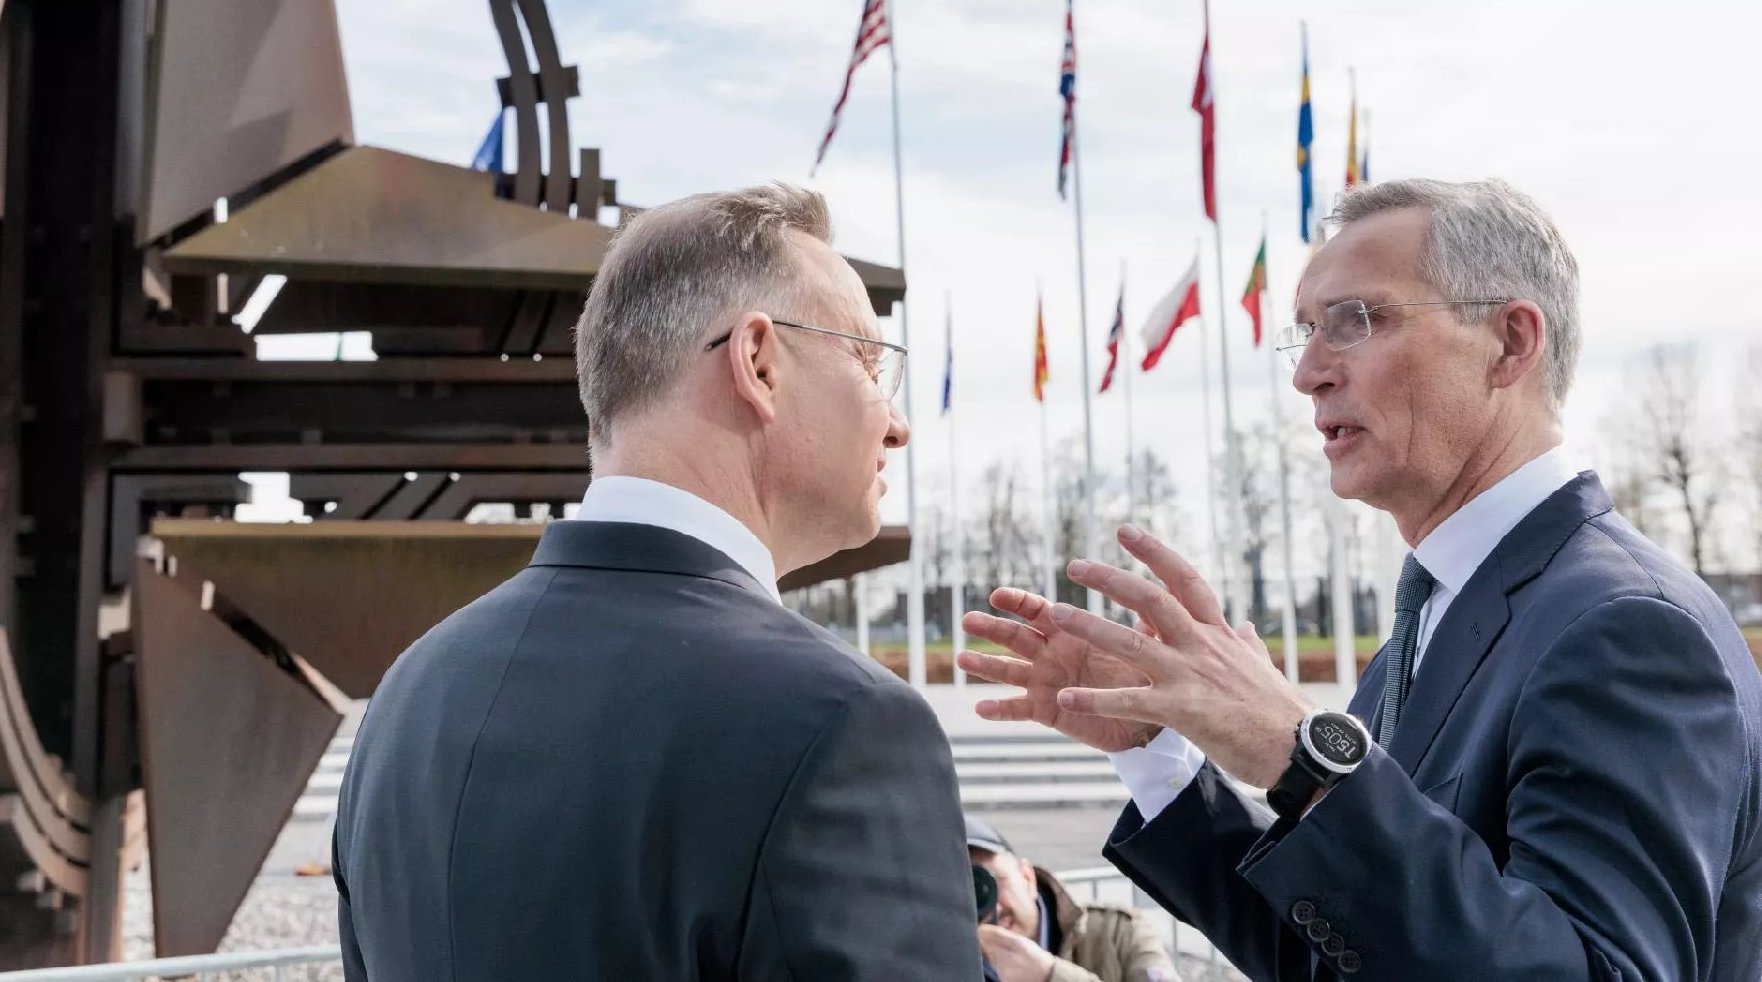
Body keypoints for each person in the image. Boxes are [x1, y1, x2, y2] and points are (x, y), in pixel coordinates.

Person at [961, 179, 1762, 981]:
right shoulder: (1431, 624)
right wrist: (1157, 751)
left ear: (1511, 343)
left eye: (1356, 320)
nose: (1308, 372)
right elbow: (1338, 954)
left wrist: (1302, 758)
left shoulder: (1628, 626)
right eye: (1307, 331)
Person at [331, 182, 979, 979]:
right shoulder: (843, 722)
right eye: (870, 362)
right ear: (759, 363)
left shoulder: (411, 693)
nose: (897, 423)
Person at [966, 815, 1180, 982]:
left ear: (1027, 877)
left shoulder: (1116, 932)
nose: (992, 907)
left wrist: (1049, 975)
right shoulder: (951, 958)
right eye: (967, 892)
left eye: (991, 883)